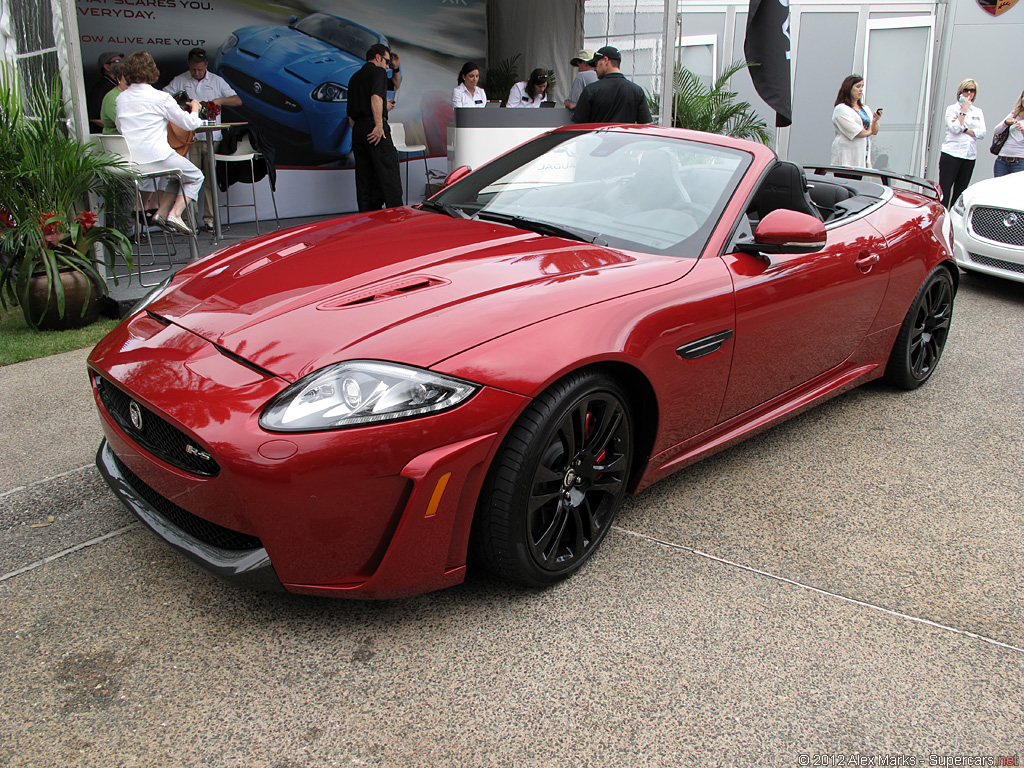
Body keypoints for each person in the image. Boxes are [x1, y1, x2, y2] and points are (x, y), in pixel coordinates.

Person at [116, 51, 204, 236]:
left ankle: (162, 214)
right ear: (152, 71)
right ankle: (176, 214)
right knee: (196, 176)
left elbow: (119, 125)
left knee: (176, 176)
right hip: (157, 157)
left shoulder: (121, 98)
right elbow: (189, 123)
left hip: (132, 162)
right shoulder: (161, 98)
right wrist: (195, 109)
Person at [163, 48, 242, 232]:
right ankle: (189, 220)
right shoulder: (180, 80)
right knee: (190, 178)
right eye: (193, 70)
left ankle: (210, 219)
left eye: (200, 69)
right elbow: (163, 97)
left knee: (209, 180)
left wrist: (220, 100)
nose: (197, 73)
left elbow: (238, 100)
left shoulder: (216, 80)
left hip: (212, 137)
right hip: (189, 138)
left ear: (206, 65)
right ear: (189, 66)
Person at [347, 43, 403, 212]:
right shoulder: (377, 72)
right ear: (378, 57)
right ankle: (396, 213)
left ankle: (366, 215)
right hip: (374, 126)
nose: (387, 66)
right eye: (386, 62)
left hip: (358, 129)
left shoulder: (355, 77)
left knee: (364, 176)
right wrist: (378, 125)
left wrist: (395, 68)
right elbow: (376, 97)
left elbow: (395, 84)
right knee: (388, 171)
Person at [571, 47, 652, 125]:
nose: (595, 69)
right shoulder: (637, 91)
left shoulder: (591, 90)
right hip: (625, 139)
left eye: (596, 64)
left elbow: (579, 126)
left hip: (599, 138)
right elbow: (645, 125)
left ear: (605, 60)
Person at [939, 78, 986, 208]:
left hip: (969, 156)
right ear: (961, 91)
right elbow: (954, 128)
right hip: (951, 154)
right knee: (945, 190)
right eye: (966, 90)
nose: (969, 93)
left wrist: (965, 128)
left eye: (972, 90)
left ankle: (953, 222)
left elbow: (982, 133)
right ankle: (942, 218)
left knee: (960, 192)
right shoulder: (952, 109)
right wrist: (963, 111)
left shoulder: (978, 112)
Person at [830, 75, 880, 168]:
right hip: (846, 156)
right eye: (858, 86)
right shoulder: (841, 109)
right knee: (846, 180)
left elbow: (875, 131)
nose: (861, 90)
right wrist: (870, 131)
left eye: (862, 86)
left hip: (862, 155)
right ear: (849, 88)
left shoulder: (865, 108)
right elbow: (855, 132)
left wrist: (875, 121)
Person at [992, 89, 1024, 177]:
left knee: (1015, 190)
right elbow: (996, 131)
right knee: (998, 188)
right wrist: (1006, 123)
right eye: (1023, 96)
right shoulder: (1015, 113)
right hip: (1002, 160)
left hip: (1020, 162)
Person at [87, 51, 123, 126]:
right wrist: (115, 129)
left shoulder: (118, 83)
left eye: (122, 60)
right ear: (107, 67)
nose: (121, 63)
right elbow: (94, 118)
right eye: (117, 61)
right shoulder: (101, 87)